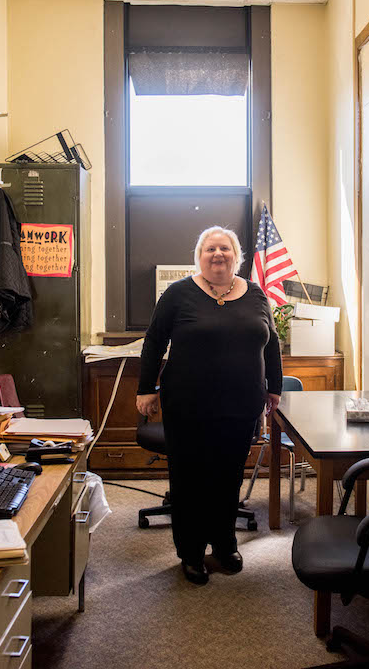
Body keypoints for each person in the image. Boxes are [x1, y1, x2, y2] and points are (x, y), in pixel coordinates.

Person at [136, 226, 283, 585]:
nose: (218, 254)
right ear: (199, 257)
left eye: (225, 248)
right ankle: (190, 551)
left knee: (227, 476)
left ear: (237, 256)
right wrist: (145, 388)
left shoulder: (256, 294)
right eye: (210, 249)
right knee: (190, 479)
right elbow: (154, 342)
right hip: (189, 404)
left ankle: (223, 543)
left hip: (240, 404)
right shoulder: (178, 294)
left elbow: (272, 345)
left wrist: (274, 389)